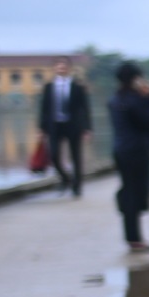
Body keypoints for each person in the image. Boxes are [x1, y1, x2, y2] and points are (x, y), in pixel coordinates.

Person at [109, 62, 149, 253]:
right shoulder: (135, 101)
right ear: (134, 79)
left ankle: (133, 235)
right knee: (137, 193)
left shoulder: (115, 100)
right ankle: (135, 238)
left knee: (131, 191)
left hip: (121, 150)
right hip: (137, 151)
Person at [37, 59, 92, 196]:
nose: (61, 69)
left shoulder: (77, 87)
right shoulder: (49, 87)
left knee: (76, 156)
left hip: (73, 125)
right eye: (58, 67)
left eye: (64, 67)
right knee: (54, 154)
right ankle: (65, 178)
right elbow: (44, 109)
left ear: (69, 69)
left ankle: (77, 187)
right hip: (54, 125)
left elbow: (85, 108)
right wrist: (41, 129)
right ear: (54, 69)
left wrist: (87, 128)